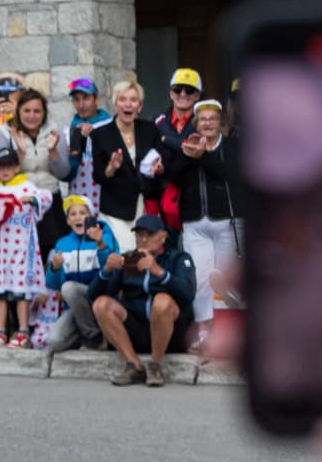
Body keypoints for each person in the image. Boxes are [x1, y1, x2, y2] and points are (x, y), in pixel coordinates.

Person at [163, 96, 241, 349]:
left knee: (226, 278)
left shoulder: (232, 145)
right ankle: (205, 331)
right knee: (201, 279)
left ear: (221, 122)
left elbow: (229, 174)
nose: (208, 123)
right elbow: (173, 176)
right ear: (196, 124)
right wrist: (189, 154)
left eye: (213, 119)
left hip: (227, 222)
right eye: (203, 119)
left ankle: (229, 332)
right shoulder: (189, 145)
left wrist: (203, 156)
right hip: (196, 223)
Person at [89, 215, 198, 386]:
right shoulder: (127, 259)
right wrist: (106, 271)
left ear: (163, 236)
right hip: (136, 331)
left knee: (162, 301)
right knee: (101, 304)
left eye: (150, 234)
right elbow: (93, 296)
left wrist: (159, 273)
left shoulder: (178, 258)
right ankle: (134, 365)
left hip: (172, 335)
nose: (144, 239)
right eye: (139, 235)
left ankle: (155, 365)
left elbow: (187, 294)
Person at [0, 144, 53, 347]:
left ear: (17, 167)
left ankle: (22, 331)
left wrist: (32, 199)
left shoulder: (25, 186)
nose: (5, 171)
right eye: (0, 166)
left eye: (9, 166)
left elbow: (46, 198)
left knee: (21, 290)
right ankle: (0, 331)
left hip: (20, 248)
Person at [85, 79, 159, 243]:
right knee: (121, 255)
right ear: (115, 104)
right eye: (123, 99)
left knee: (144, 256)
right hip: (115, 210)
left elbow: (161, 163)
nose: (128, 105)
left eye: (133, 100)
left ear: (140, 106)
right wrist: (111, 168)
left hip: (144, 206)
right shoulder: (101, 134)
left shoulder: (149, 129)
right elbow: (98, 176)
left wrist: (159, 168)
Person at [43, 195, 119, 351]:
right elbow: (54, 285)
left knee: (69, 288)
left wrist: (100, 244)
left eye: (83, 213)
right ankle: (88, 334)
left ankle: (93, 337)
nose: (78, 217)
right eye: (73, 214)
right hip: (77, 306)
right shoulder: (62, 243)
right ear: (68, 221)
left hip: (101, 300)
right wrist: (54, 269)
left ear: (91, 217)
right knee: (55, 341)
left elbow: (112, 269)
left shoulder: (104, 236)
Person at [50, 77, 112, 205]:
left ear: (97, 99)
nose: (81, 105)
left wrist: (95, 136)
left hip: (108, 202)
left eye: (86, 98)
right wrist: (74, 158)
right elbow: (66, 177)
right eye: (76, 100)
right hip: (78, 205)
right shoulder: (68, 132)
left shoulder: (112, 126)